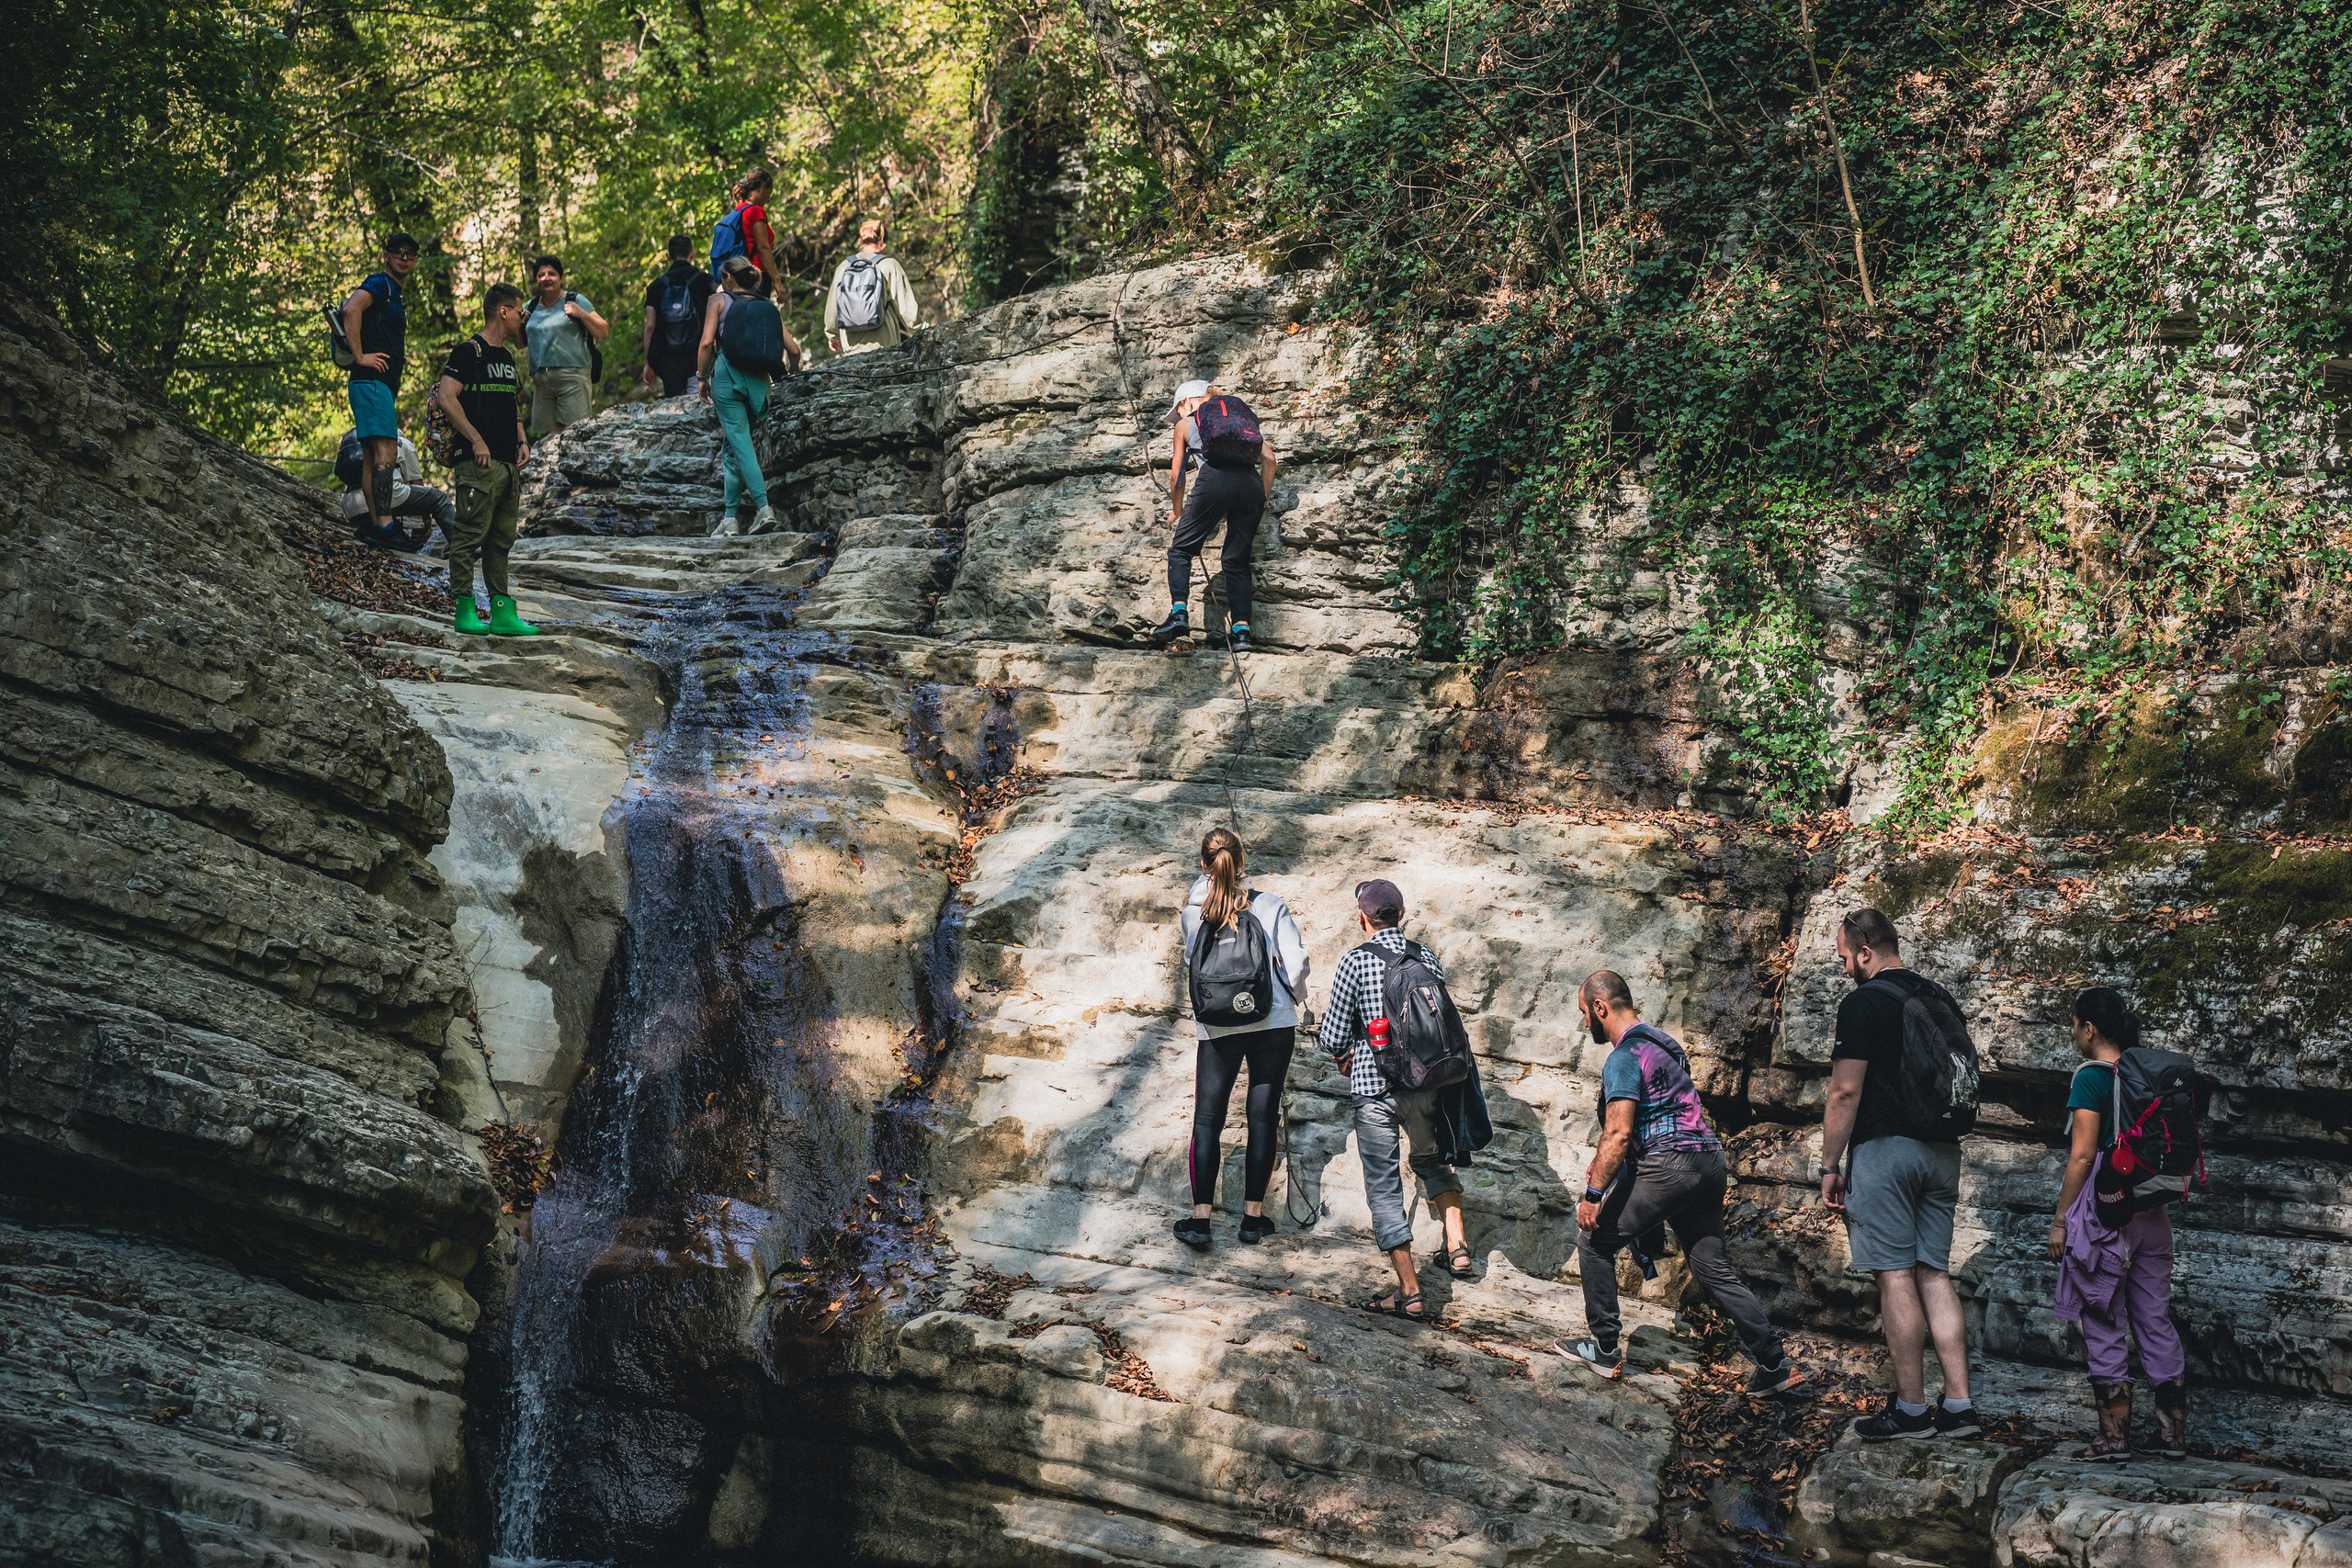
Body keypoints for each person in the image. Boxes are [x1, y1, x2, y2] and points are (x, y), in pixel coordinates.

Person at [1558, 970, 1801, 1395]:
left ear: (1600, 1008)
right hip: (1708, 1161)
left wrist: (1594, 1194)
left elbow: (1619, 1133)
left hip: (1669, 1164)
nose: (1585, 1022)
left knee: (1593, 1241)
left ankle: (1604, 1348)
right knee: (1712, 1268)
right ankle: (1774, 1363)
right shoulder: (1664, 1045)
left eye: (1585, 1013)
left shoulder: (1623, 1056)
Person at [1818, 908, 1983, 1440]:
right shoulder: (1938, 997)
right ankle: (1959, 1407)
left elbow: (1845, 1092)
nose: (1845, 968)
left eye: (1845, 958)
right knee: (1933, 1274)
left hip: (1887, 1152)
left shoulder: (1862, 1003)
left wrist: (1829, 1165)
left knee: (1894, 1276)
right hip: (1943, 1152)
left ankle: (1911, 1410)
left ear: (1866, 952)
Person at [1317, 878, 1489, 1322]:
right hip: (1427, 1084)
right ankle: (1458, 1246)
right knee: (1431, 1160)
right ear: (1402, 914)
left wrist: (1345, 1054)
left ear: (1362, 917)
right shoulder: (1424, 956)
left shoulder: (1355, 961)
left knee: (1384, 1185)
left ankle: (1410, 1292)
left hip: (1374, 1089)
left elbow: (1333, 1037)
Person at [2050, 987, 2188, 1459]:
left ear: (2089, 1028)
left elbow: (2083, 1156)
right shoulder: (2146, 1074)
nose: (2074, 1033)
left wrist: (2061, 1221)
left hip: (2107, 1214)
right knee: (2154, 1319)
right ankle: (2172, 1437)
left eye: (2075, 1025)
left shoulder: (2091, 1076)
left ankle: (2113, 1438)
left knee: (2103, 1316)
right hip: (2153, 1210)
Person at [1175, 829, 1309, 1249]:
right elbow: (1296, 964)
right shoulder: (1269, 905)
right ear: (1242, 861)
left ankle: (1200, 1222)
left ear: (1203, 864)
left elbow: (1194, 961)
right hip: (1272, 1021)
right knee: (1263, 1118)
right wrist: (1294, 999)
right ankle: (1252, 1220)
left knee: (1207, 1121)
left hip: (1218, 1026)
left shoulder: (1193, 912)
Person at [434, 283, 537, 637]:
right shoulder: (468, 352)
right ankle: (464, 611)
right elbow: (446, 397)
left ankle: (502, 613)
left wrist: (522, 440)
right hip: (477, 463)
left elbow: (512, 404)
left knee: (500, 539)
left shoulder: (507, 358)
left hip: (508, 463)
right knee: (467, 535)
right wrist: (476, 439)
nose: (523, 317)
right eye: (520, 311)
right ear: (503, 311)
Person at [1149, 381, 1280, 654]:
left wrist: (1178, 510)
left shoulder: (1186, 423)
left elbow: (1177, 477)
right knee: (1236, 560)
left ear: (1186, 402)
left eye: (1178, 410)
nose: (1178, 416)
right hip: (1251, 484)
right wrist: (1264, 498)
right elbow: (1269, 459)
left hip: (1215, 479)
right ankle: (1241, 633)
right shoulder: (1237, 421)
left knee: (1181, 550)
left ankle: (1179, 615)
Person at [697, 254, 793, 537]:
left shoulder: (718, 301)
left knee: (741, 443)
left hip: (728, 378)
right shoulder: (767, 306)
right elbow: (794, 349)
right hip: (759, 385)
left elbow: (706, 342)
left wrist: (702, 378)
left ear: (727, 278)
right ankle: (730, 519)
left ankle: (764, 508)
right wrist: (793, 375)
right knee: (732, 447)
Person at [340, 232, 419, 537]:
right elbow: (350, 310)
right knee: (387, 451)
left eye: (410, 253)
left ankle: (376, 526)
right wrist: (360, 356)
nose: (404, 257)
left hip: (374, 385)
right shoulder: (379, 284)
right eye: (398, 252)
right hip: (372, 383)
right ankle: (386, 525)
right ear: (386, 255)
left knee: (372, 456)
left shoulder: (392, 292)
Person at [522, 255, 607, 440]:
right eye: (541, 275)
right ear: (536, 280)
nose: (546, 278)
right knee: (550, 438)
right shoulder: (531, 306)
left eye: (551, 274)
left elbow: (603, 331)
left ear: (560, 278)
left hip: (573, 377)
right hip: (541, 381)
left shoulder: (575, 300)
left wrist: (581, 313)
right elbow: (520, 343)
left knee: (574, 434)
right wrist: (520, 323)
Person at [337, 425, 452, 554]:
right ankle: (461, 546)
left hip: (350, 506)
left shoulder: (367, 440)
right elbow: (417, 483)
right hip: (383, 497)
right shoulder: (403, 443)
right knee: (439, 498)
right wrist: (427, 524)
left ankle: (371, 530)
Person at [822, 220, 920, 357]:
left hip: (850, 348)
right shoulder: (890, 265)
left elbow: (832, 311)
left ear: (860, 241)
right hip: (884, 345)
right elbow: (908, 312)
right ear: (882, 242)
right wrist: (924, 330)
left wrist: (833, 336)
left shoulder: (843, 267)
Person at [641, 235, 715, 397]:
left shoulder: (655, 287)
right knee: (696, 399)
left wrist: (648, 362)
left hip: (668, 356)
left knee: (674, 402)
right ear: (691, 254)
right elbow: (723, 293)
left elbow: (650, 326)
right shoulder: (703, 280)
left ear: (668, 256)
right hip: (697, 351)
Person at [712, 166, 782, 299]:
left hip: (740, 276)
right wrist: (777, 281)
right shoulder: (756, 211)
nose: (768, 199)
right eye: (769, 193)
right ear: (762, 187)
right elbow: (763, 247)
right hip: (757, 277)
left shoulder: (739, 209)